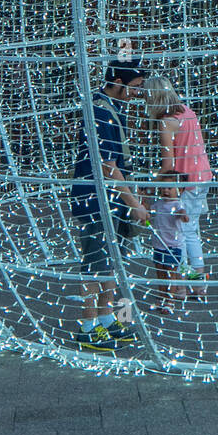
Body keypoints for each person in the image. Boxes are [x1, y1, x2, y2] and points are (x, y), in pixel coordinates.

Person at [70, 60, 150, 350]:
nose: (136, 93)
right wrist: (135, 203)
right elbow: (107, 166)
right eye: (134, 87)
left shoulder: (112, 110)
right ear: (117, 80)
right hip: (96, 199)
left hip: (112, 200)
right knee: (95, 264)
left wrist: (133, 198)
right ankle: (87, 327)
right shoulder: (101, 112)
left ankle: (105, 320)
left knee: (110, 263)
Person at [146, 76, 213, 302]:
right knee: (191, 231)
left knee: (180, 235)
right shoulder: (188, 111)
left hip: (183, 181)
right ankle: (198, 284)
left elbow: (168, 165)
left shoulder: (166, 121)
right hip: (202, 176)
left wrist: (149, 186)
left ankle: (181, 285)